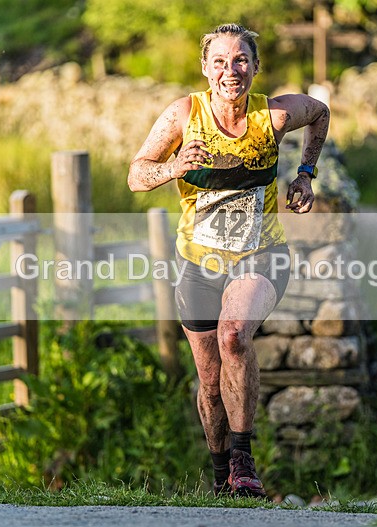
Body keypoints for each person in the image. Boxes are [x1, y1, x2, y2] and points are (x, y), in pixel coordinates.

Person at [128, 23, 329, 497]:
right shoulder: (183, 114)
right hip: (198, 263)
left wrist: (305, 173)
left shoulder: (274, 115)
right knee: (210, 380)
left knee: (234, 335)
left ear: (256, 66)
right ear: (205, 68)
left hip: (261, 253)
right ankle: (223, 478)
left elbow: (320, 113)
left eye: (240, 60)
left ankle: (243, 461)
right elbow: (136, 174)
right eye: (219, 61)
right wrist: (174, 167)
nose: (230, 71)